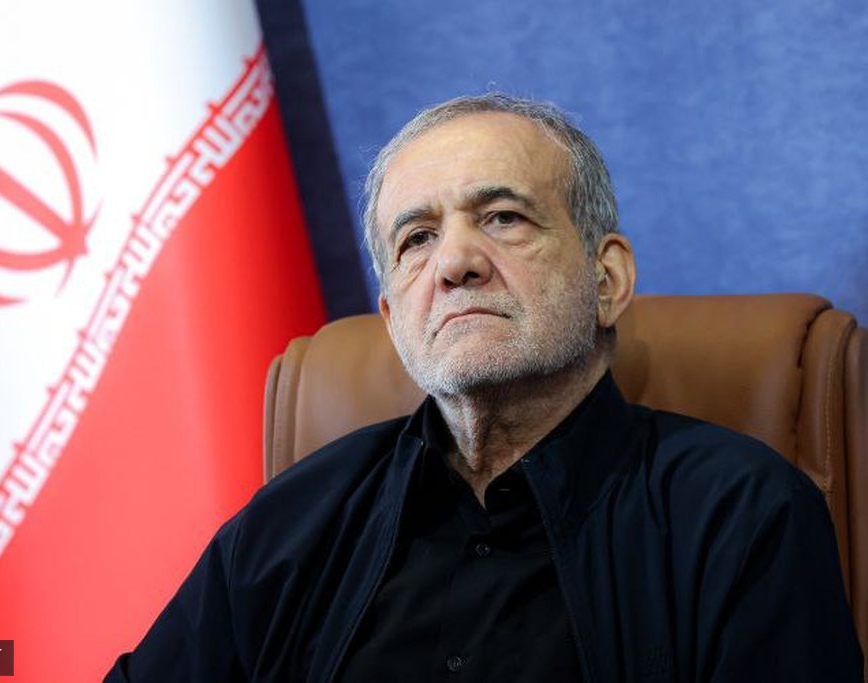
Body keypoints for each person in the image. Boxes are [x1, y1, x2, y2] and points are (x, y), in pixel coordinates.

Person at [107, 94, 862, 681]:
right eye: (417, 238)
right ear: (394, 317)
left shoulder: (742, 514)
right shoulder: (288, 525)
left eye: (502, 217)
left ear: (606, 279)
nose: (455, 263)